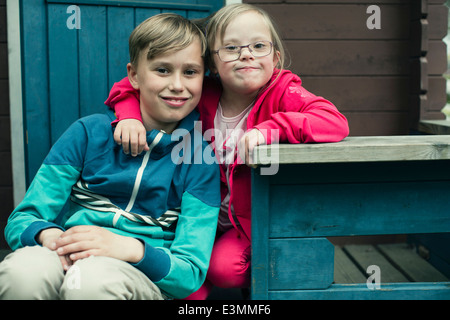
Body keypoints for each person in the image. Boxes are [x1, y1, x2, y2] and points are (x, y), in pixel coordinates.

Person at [105, 4, 349, 299]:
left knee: (224, 269)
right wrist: (129, 115)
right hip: (194, 215)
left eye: (259, 46)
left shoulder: (284, 92)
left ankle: (275, 274)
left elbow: (333, 120)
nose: (246, 54)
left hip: (248, 222)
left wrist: (272, 129)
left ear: (276, 57)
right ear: (211, 63)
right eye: (231, 48)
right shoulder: (203, 91)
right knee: (190, 289)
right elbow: (130, 85)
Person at [0, 13, 220, 300]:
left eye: (190, 72)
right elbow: (23, 218)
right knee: (22, 272)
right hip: (70, 251)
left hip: (138, 275)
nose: (178, 85)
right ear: (134, 75)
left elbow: (190, 271)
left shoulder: (200, 160)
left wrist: (129, 248)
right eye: (162, 70)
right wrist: (51, 238)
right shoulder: (88, 133)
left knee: (91, 283)